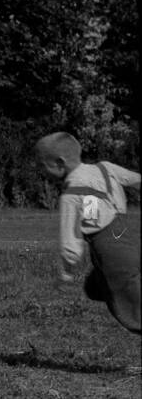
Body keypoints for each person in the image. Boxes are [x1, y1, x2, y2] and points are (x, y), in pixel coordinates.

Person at [35, 132, 140, 334]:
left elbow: (71, 243)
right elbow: (135, 181)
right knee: (93, 288)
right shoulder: (105, 168)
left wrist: (66, 273)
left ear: (59, 163)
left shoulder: (71, 195)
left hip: (111, 252)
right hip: (130, 236)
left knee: (133, 311)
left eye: (42, 165)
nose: (41, 171)